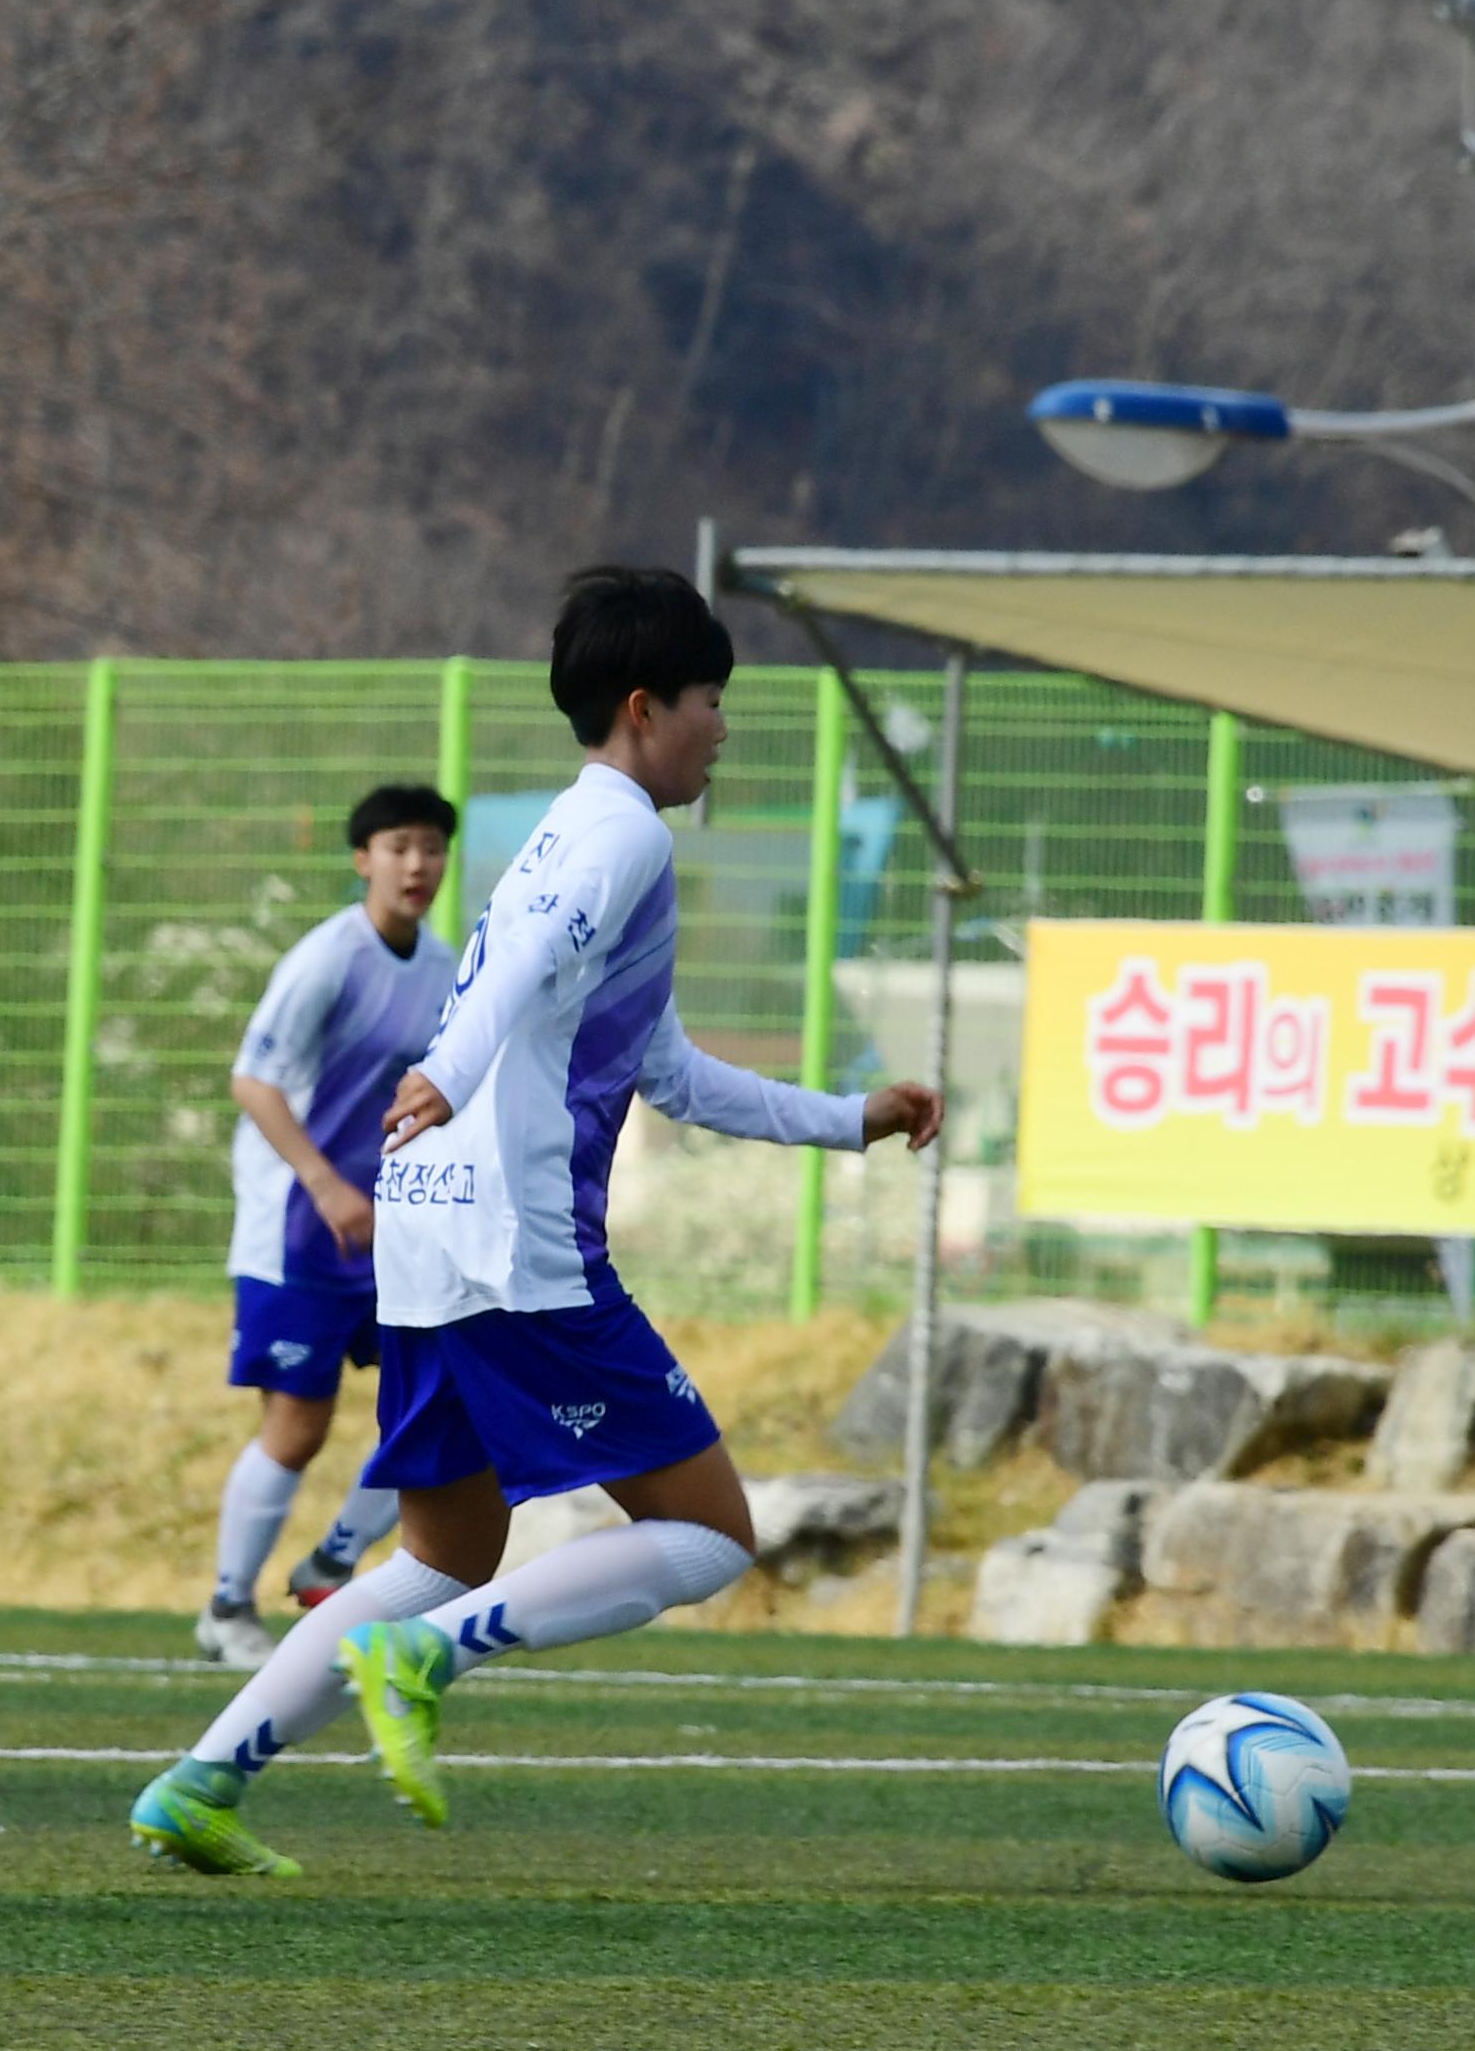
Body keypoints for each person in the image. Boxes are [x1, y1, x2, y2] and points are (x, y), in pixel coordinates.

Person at [128, 566, 939, 1876]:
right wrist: (447, 1078)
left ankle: (203, 1779)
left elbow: (664, 1069)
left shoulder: (568, 836)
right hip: (521, 1249)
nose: (723, 729)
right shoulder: (620, 836)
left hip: (428, 1235)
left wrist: (849, 1119)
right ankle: (423, 1662)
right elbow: (508, 975)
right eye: (710, 701)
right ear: (642, 707)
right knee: (711, 1535)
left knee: (450, 1548)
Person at [197, 785, 461, 1668]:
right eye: (398, 847)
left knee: (440, 1402)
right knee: (299, 1427)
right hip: (300, 1229)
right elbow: (253, 1083)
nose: (417, 864)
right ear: (363, 860)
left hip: (391, 1231)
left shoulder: (445, 967)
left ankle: (331, 1565)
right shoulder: (326, 960)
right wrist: (325, 1186)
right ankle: (228, 1608)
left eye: (431, 847)